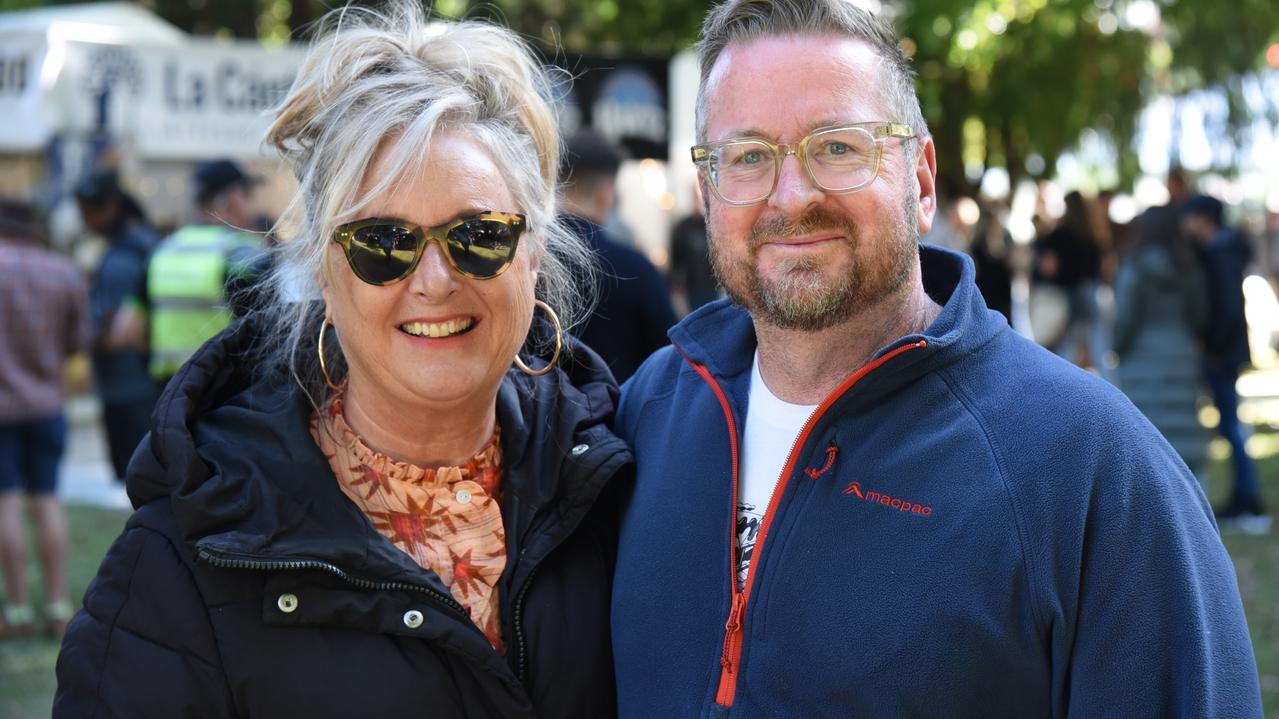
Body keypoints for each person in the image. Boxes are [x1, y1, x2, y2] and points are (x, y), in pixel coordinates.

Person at [610, 1, 1262, 717]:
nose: (790, 197)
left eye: (837, 147)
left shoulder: (1089, 467)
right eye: (747, 157)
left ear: (919, 182)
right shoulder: (653, 408)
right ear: (708, 192)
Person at [55, 5, 628, 717]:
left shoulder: (621, 496)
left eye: (478, 234)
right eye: (382, 242)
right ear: (324, 274)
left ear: (532, 255)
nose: (434, 279)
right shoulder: (179, 564)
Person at [0, 199, 91, 639]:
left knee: (6, 504)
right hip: (46, 405)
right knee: (47, 500)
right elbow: (78, 343)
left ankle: (16, 610)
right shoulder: (62, 272)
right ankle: (57, 605)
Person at [559, 130, 676, 382]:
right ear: (607, 192)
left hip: (533, 416)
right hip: (618, 413)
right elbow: (671, 357)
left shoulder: (527, 262)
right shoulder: (635, 268)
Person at [1184, 194, 1270, 533]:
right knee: (1231, 426)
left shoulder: (1220, 254)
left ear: (1204, 219)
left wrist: (1214, 347)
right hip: (1226, 350)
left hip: (1223, 353)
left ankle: (1249, 501)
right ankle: (1243, 496)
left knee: (1233, 428)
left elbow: (1228, 308)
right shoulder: (1221, 251)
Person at [72, 169, 159, 481]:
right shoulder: (145, 245)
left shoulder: (122, 258)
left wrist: (77, 336)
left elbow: (114, 333)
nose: (83, 221)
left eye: (86, 213)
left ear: (108, 208)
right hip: (145, 385)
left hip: (127, 387)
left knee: (135, 481)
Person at [146, 159, 264, 385]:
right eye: (246, 194)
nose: (250, 204)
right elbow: (270, 331)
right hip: (226, 391)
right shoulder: (242, 251)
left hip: (170, 393)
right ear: (230, 200)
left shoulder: (163, 251)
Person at [1113, 201, 1208, 478]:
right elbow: (1198, 315)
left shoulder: (1134, 268)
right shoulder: (1188, 267)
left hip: (1142, 360)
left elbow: (1125, 319)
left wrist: (1119, 348)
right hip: (1181, 354)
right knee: (1185, 429)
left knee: (1148, 438)